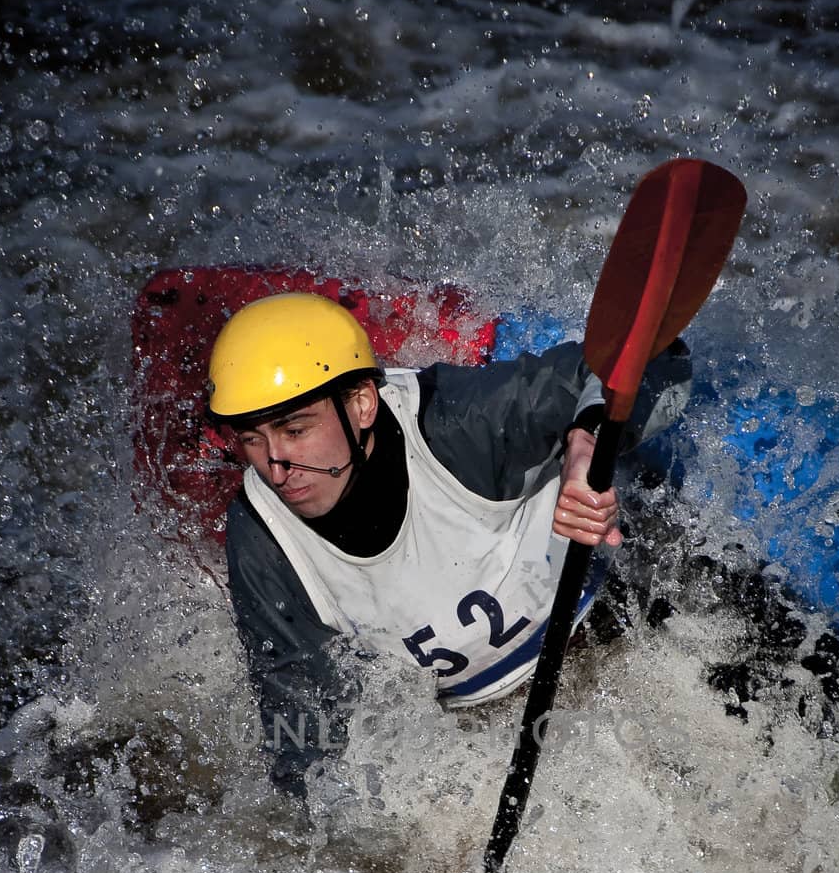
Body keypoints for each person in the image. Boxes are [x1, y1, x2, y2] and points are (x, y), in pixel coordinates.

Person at [206, 291, 692, 792]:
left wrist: (586, 438)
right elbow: (303, 739)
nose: (277, 466)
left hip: (626, 619)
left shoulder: (459, 423)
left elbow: (657, 360)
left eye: (295, 429)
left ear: (361, 404)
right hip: (486, 728)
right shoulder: (261, 542)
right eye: (252, 439)